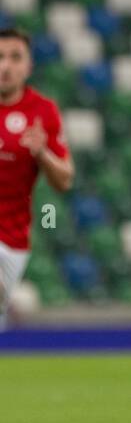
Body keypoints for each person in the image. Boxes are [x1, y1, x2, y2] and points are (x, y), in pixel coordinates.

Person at [0, 28, 75, 328]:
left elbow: (65, 181)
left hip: (11, 241)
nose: (5, 65)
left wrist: (42, 152)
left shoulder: (42, 112)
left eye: (15, 57)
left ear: (29, 66)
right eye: (0, 57)